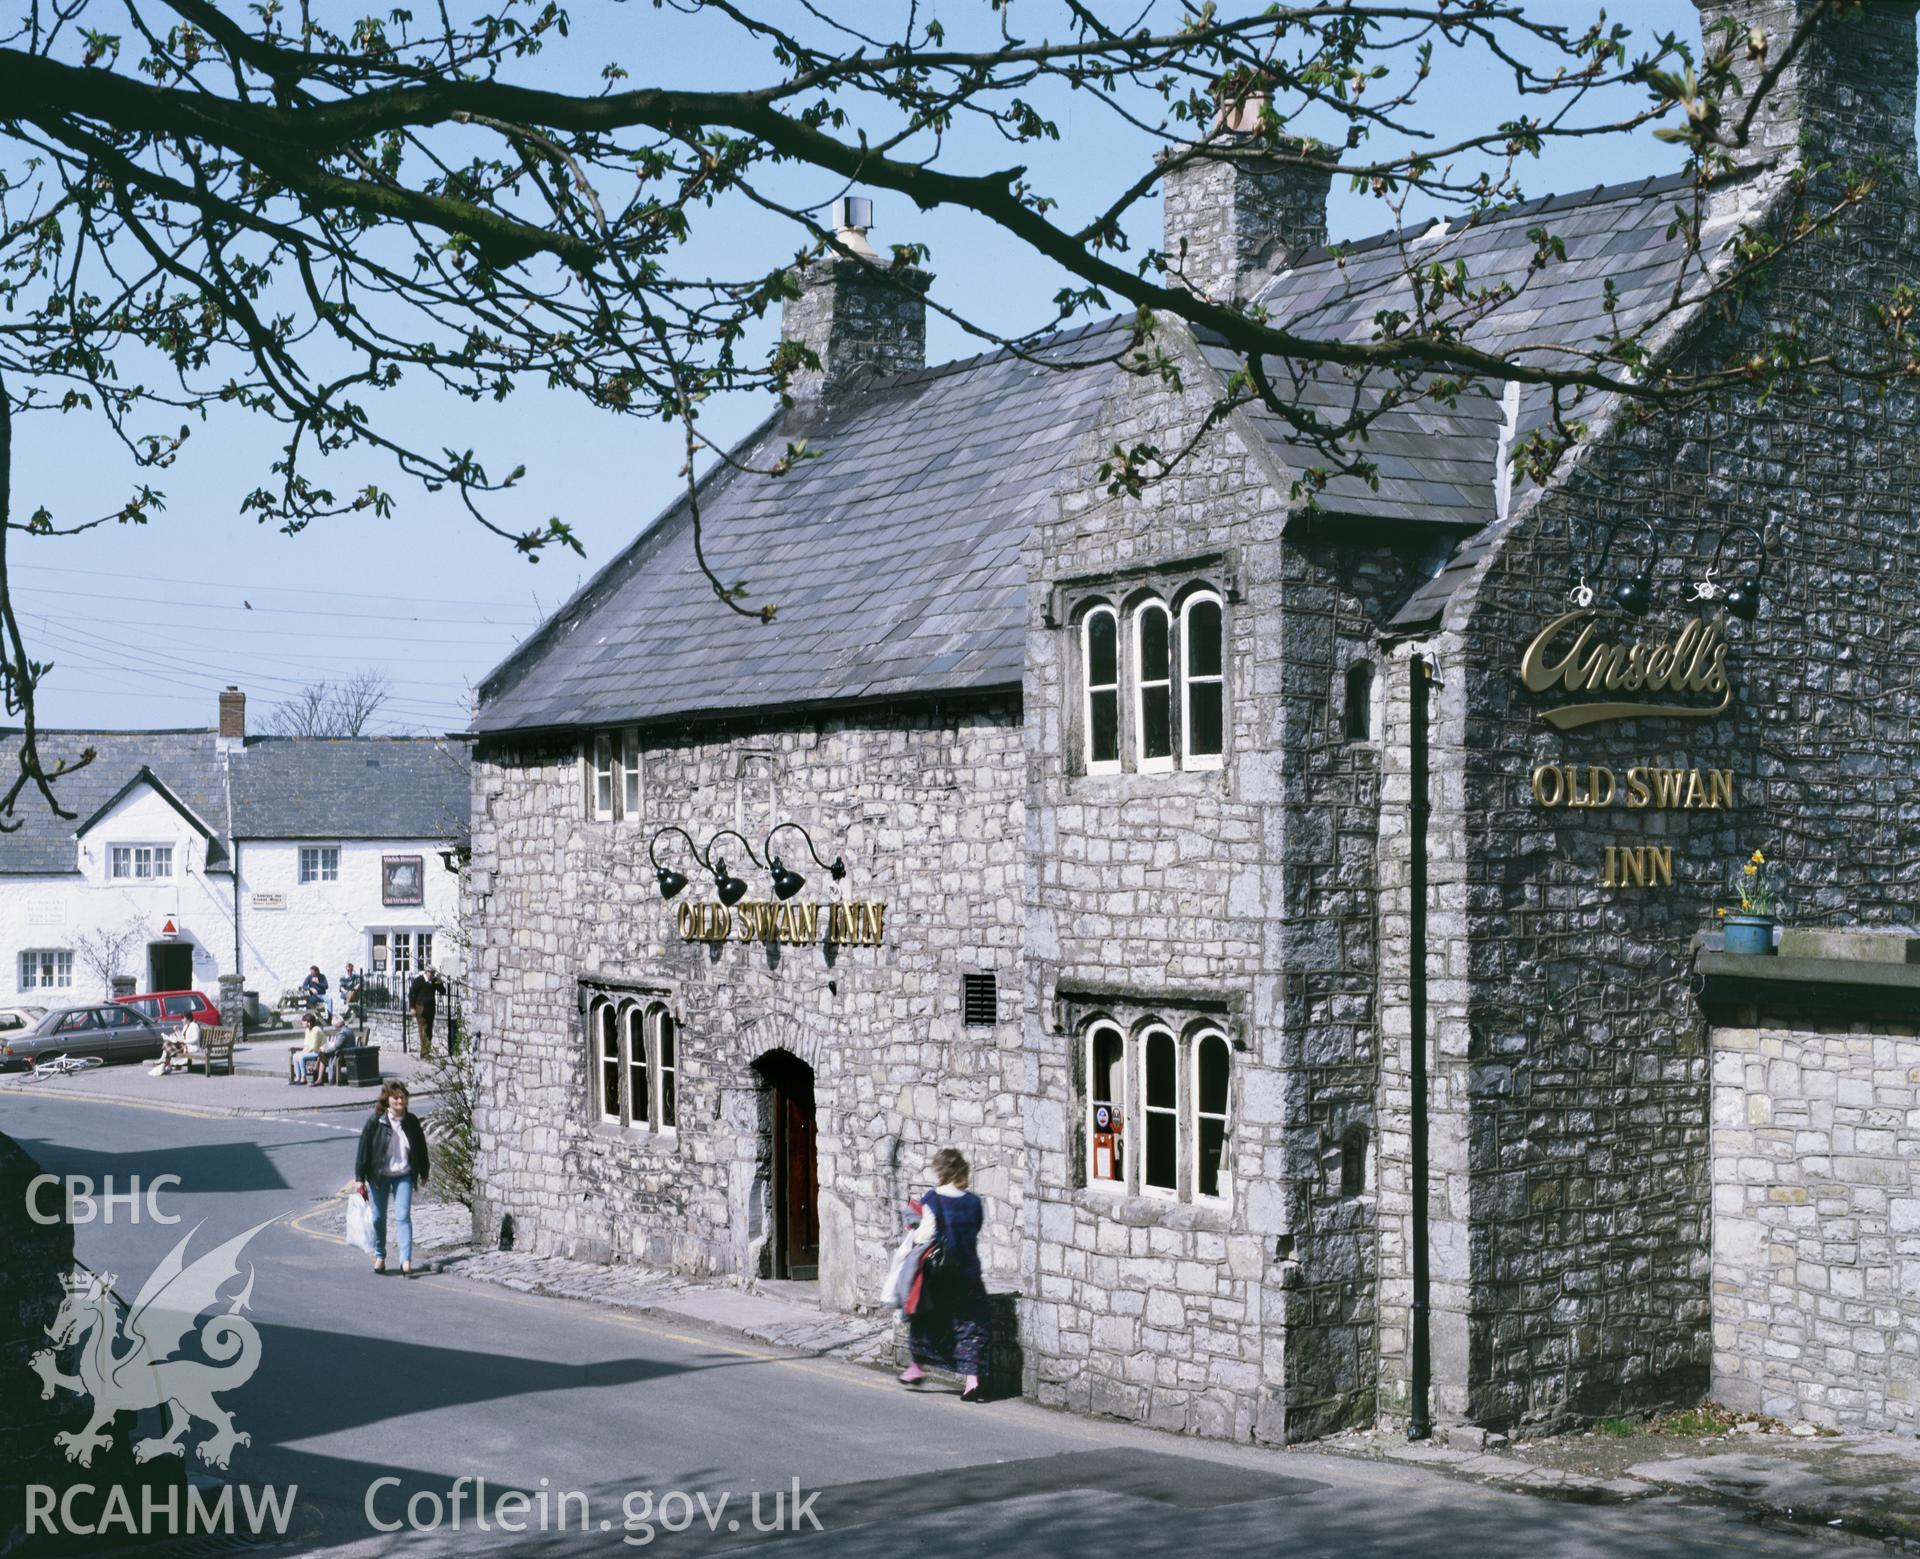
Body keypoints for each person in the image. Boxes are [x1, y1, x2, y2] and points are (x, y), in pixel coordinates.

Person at [899, 1147, 990, 1402]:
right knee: (971, 1324)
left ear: (941, 1171)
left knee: (923, 1317)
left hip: (940, 1275)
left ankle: (917, 1367)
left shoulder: (933, 1199)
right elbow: (976, 1228)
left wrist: (913, 1235)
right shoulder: (973, 1201)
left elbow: (927, 1234)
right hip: (969, 1271)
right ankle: (972, 1382)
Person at [354, 1081, 430, 1276]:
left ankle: (406, 1260)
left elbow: (421, 1148)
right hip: (379, 1175)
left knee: (403, 1216)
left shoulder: (411, 1121)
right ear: (387, 1100)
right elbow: (364, 1149)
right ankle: (380, 1255)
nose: (400, 1099)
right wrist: (359, 1178)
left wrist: (424, 1172)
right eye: (395, 1096)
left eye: (403, 1096)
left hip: (403, 1174)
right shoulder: (376, 1121)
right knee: (379, 1217)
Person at [408, 965, 444, 1055]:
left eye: (433, 974)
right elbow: (411, 994)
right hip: (420, 1007)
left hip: (431, 1008)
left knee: (429, 1030)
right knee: (423, 1028)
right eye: (431, 973)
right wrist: (412, 1007)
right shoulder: (418, 980)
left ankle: (427, 1051)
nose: (432, 975)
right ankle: (424, 1053)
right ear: (426, 972)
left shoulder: (434, 981)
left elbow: (443, 991)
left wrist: (439, 981)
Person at [291, 1009, 326, 1084]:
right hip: (311, 1051)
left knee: (301, 1057)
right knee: (295, 1056)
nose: (302, 1022)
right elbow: (306, 1045)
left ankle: (303, 1078)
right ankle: (298, 1077)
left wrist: (302, 1054)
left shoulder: (316, 1030)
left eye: (304, 1021)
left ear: (309, 1022)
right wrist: (302, 1052)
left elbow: (313, 1047)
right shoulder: (307, 1030)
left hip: (319, 1052)